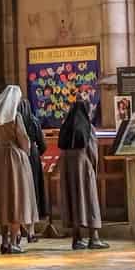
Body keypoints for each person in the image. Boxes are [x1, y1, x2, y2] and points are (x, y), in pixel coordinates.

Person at [0, 84, 38, 255]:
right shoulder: (15, 117)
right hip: (15, 160)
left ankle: (5, 241)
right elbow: (24, 140)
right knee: (17, 199)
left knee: (3, 201)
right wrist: (27, 149)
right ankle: (15, 241)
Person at [57, 95, 108, 251]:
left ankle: (77, 238)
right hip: (84, 168)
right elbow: (92, 152)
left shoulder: (65, 127)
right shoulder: (88, 127)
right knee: (89, 201)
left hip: (68, 171)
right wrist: (94, 168)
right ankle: (94, 238)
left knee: (73, 201)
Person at [17, 95, 48, 241]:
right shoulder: (34, 121)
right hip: (32, 158)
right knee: (33, 192)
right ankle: (31, 231)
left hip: (17, 158)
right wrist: (36, 152)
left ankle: (19, 230)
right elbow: (43, 144)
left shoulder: (14, 121)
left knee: (20, 193)